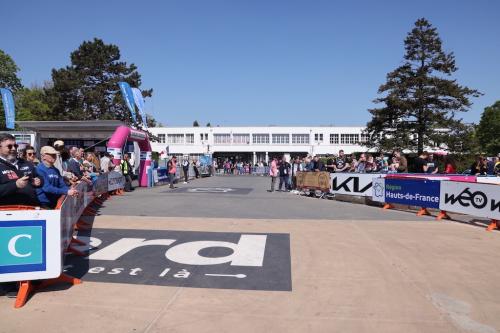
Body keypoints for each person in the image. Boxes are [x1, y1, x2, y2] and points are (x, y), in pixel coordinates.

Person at [0, 133, 42, 206]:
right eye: (9, 146)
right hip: (8, 212)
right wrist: (15, 185)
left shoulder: (26, 163)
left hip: (31, 208)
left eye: (15, 146)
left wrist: (39, 181)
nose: (13, 148)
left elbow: (39, 177)